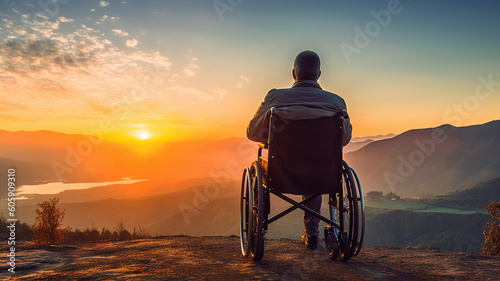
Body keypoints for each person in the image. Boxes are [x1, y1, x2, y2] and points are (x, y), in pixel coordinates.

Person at [246, 50, 352, 249]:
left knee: (274, 164)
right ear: (319, 74)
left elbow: (252, 133)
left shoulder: (275, 97)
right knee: (314, 175)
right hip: (323, 173)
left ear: (294, 73)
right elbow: (344, 140)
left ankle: (259, 232)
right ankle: (312, 235)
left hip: (281, 172)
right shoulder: (336, 103)